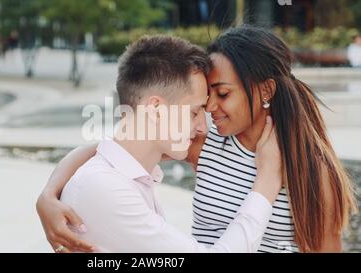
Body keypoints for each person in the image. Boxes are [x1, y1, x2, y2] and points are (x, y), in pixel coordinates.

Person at [37, 26, 358, 253]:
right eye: (206, 100)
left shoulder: (309, 170)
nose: (210, 108)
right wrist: (49, 195)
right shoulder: (207, 144)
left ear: (265, 91)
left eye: (223, 94)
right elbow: (116, 147)